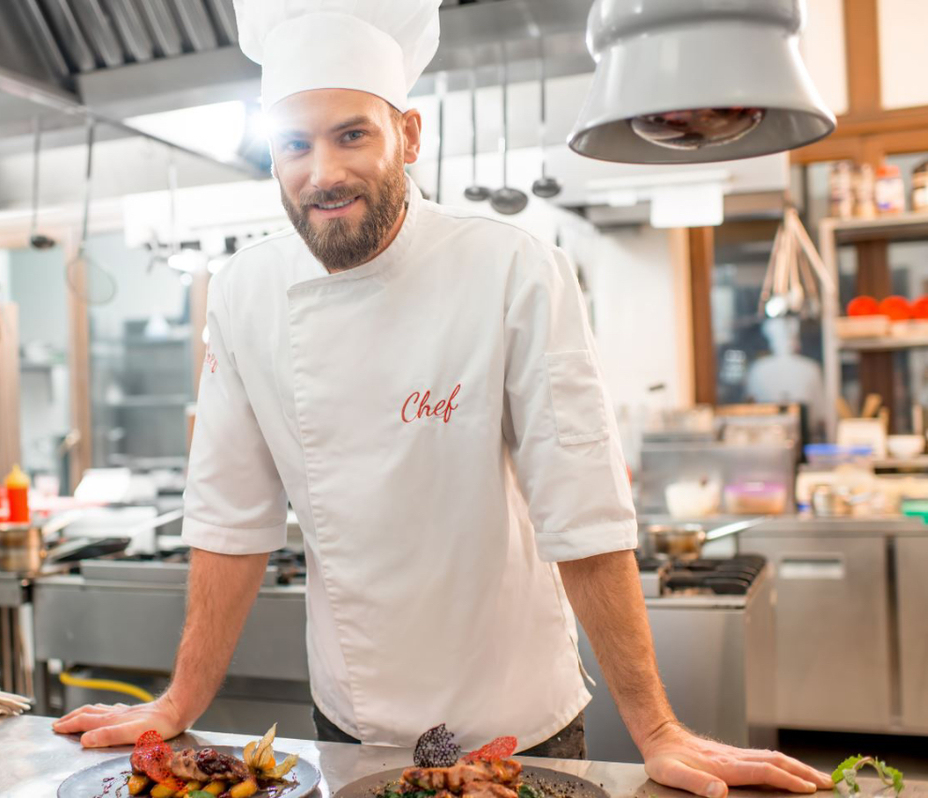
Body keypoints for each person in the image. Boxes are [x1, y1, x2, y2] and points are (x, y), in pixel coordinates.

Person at [55, 3, 833, 797]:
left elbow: (584, 510)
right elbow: (230, 515)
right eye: (295, 144)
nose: (321, 172)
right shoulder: (245, 292)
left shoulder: (515, 272)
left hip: (517, 716)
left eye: (351, 134)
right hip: (352, 717)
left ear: (409, 137)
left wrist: (657, 729)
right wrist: (182, 699)